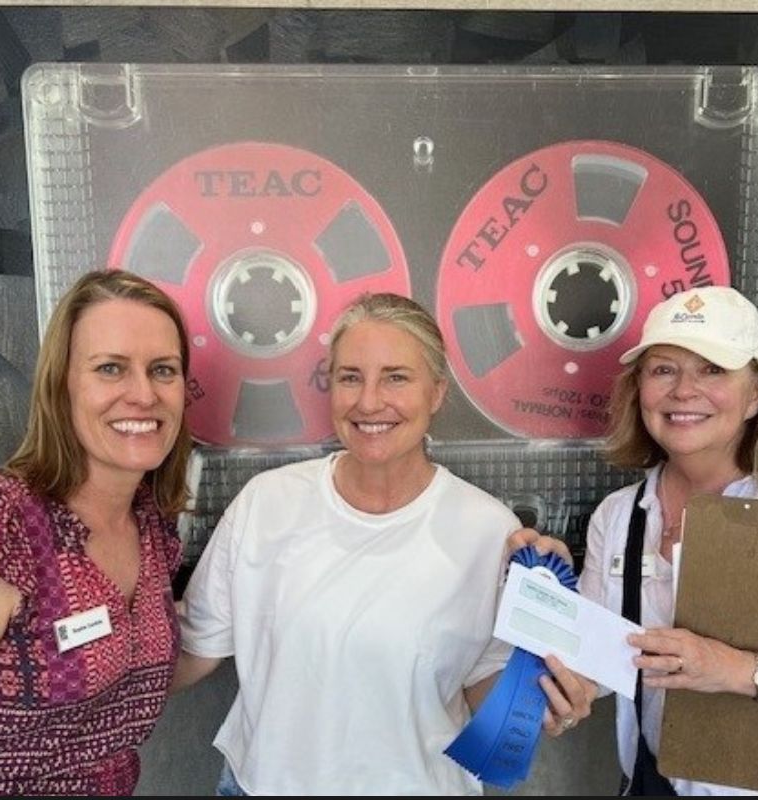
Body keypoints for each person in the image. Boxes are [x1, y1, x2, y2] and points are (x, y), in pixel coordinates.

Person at [169, 292, 590, 796]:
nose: (369, 402)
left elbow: (484, 687)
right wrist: (96, 669)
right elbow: (193, 651)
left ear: (437, 392)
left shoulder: (489, 530)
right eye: (350, 377)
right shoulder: (266, 503)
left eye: (396, 377)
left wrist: (544, 700)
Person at [0, 270, 195, 795]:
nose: (143, 393)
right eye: (110, 368)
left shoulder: (152, 527)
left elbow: (124, 671)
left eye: (162, 370)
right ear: (62, 386)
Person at [572, 285, 758, 795]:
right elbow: (593, 670)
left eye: (712, 369)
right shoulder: (619, 517)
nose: (683, 390)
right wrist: (539, 590)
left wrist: (735, 669)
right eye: (663, 370)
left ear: (756, 395)